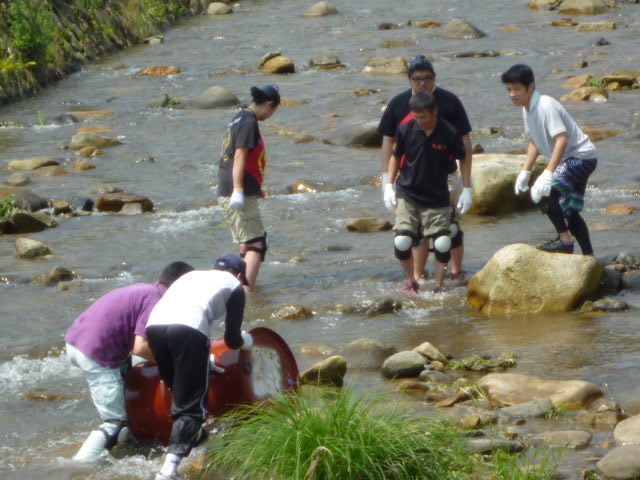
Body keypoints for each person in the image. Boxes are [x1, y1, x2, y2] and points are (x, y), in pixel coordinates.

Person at [65, 261, 194, 462]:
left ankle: (134, 440)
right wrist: (173, 365)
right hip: (96, 352)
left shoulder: (147, 290)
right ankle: (76, 467)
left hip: (76, 342)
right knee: (116, 424)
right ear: (179, 287)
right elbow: (140, 347)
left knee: (129, 383)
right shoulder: (156, 301)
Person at [146, 253, 253, 480]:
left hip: (154, 327)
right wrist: (247, 341)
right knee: (192, 406)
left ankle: (197, 445)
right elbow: (232, 340)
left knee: (179, 393)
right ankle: (168, 472)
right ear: (240, 274)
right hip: (189, 330)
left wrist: (203, 362)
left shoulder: (191, 276)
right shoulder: (234, 286)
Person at [378, 55, 473, 282]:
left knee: (449, 230)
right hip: (411, 176)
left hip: (445, 177)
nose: (423, 83)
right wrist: (386, 181)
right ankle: (418, 276)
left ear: (434, 79)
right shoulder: (399, 104)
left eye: (428, 78)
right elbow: (389, 143)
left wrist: (467, 184)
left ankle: (456, 271)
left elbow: (465, 144)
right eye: (417, 79)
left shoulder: (449, 102)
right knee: (414, 232)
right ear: (409, 79)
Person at [501, 64, 597, 255]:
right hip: (573, 159)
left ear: (531, 87)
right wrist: (525, 171)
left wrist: (548, 172)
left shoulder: (546, 105)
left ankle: (564, 240)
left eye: (517, 89)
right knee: (568, 208)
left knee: (543, 192)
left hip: (580, 156)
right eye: (509, 89)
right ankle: (588, 256)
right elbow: (534, 141)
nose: (512, 94)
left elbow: (562, 139)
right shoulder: (526, 108)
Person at [217, 85, 281, 292]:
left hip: (232, 187)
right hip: (236, 189)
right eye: (273, 111)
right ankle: (244, 294)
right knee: (256, 244)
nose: (270, 115)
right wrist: (238, 189)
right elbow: (239, 155)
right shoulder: (249, 122)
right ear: (270, 105)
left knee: (246, 243)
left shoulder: (238, 117)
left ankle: (236, 289)